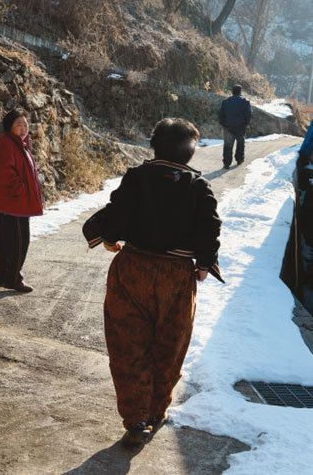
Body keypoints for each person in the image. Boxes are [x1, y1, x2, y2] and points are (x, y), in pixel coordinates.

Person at [82, 118, 223, 447]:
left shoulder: (138, 176)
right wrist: (203, 264)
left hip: (133, 269)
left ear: (154, 145)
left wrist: (108, 238)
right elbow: (211, 227)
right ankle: (156, 410)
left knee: (127, 345)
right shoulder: (198, 185)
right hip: (177, 276)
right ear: (189, 152)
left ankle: (135, 420)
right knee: (170, 345)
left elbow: (116, 215)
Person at [0, 109, 43, 292]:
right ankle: (12, 279)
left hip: (10, 202)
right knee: (19, 243)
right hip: (13, 203)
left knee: (4, 242)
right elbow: (5, 173)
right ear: (9, 127)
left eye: (25, 124)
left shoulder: (19, 143)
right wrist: (21, 192)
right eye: (19, 124)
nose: (24, 128)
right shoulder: (8, 143)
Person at [218, 84, 252, 169]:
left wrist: (223, 124)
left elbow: (221, 114)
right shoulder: (245, 101)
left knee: (228, 145)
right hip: (240, 126)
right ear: (240, 92)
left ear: (232, 92)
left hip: (228, 127)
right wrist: (246, 123)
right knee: (240, 143)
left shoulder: (225, 101)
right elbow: (249, 114)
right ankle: (239, 159)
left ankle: (226, 163)